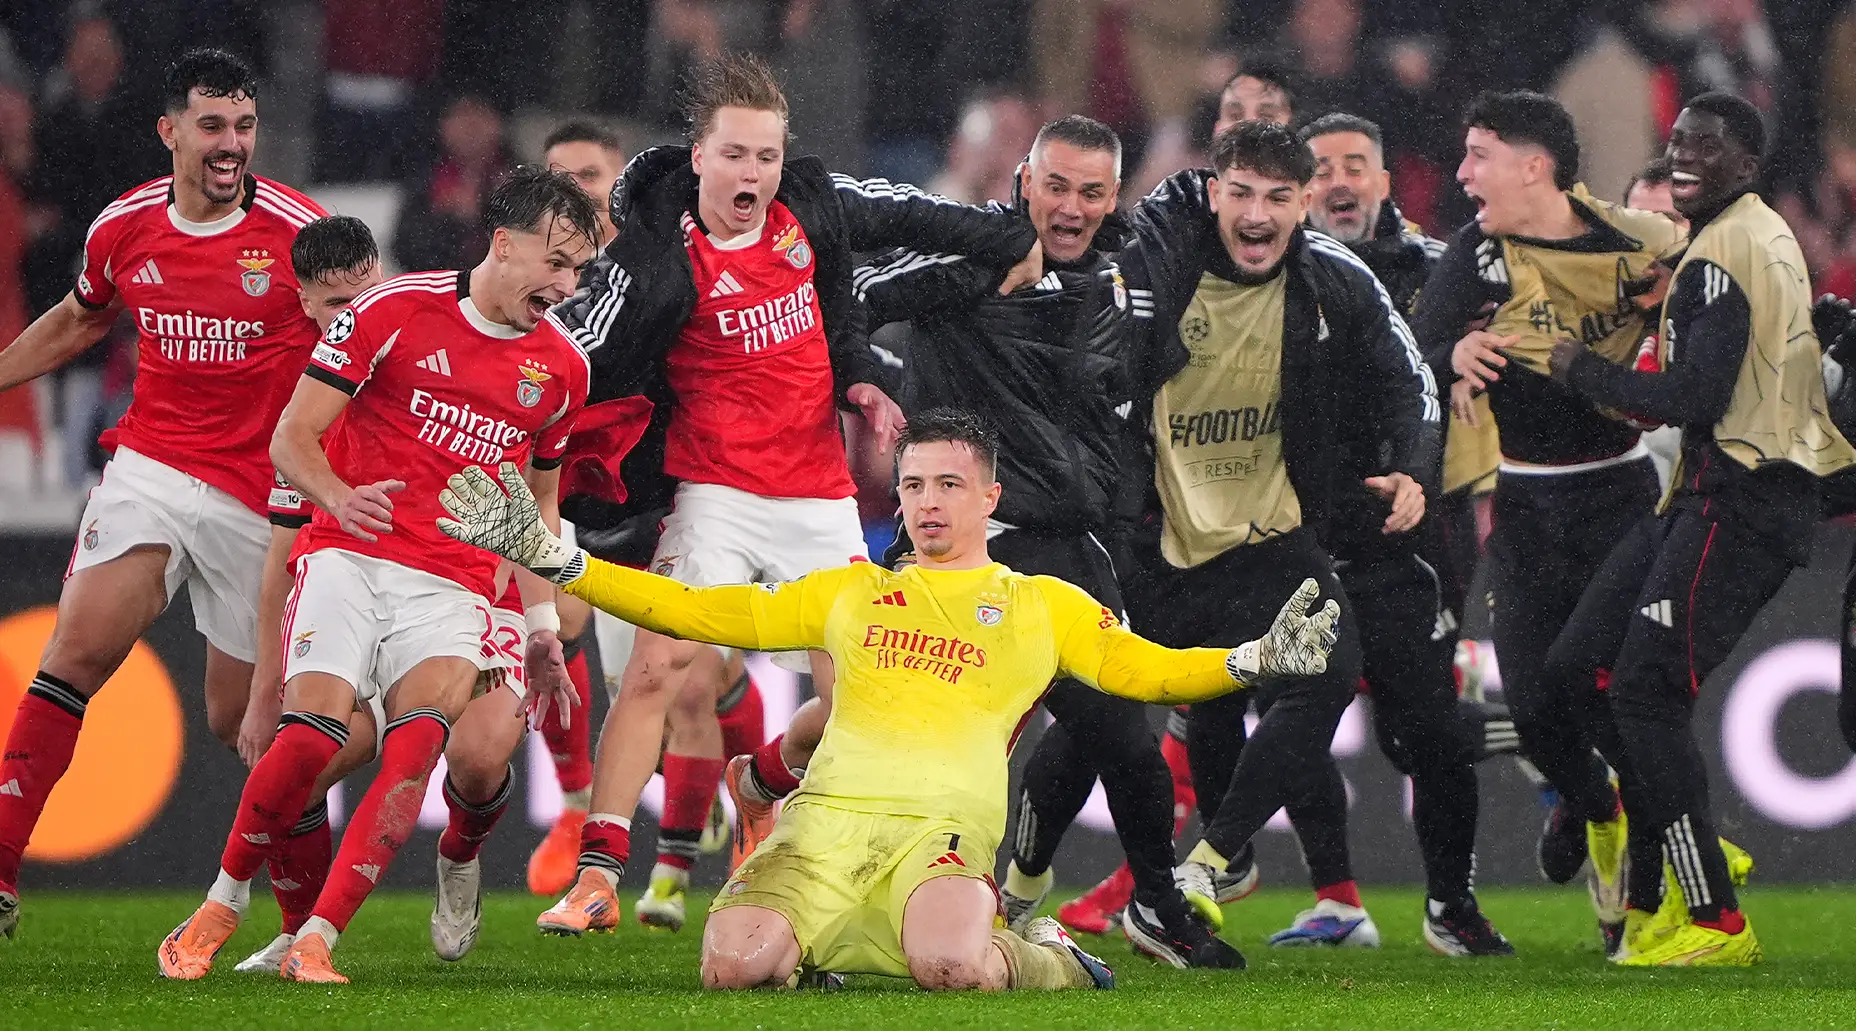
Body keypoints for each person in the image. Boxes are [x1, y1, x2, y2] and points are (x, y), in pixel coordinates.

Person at [431, 408, 1342, 990]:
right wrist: (566, 562)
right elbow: (701, 607)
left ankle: (1051, 955)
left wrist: (1253, 658)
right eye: (913, 485)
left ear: (992, 494)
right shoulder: (852, 590)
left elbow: (1151, 671)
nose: (930, 502)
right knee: (730, 967)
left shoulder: (1041, 604)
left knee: (952, 965)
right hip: (822, 829)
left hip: (937, 835)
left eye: (950, 484)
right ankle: (812, 944)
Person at [542, 52, 1040, 936]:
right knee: (658, 667)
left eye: (766, 157)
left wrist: (1013, 236)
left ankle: (764, 778)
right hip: (715, 493)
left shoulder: (810, 212)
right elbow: (575, 360)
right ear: (698, 156)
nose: (753, 175)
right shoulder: (657, 259)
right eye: (735, 155)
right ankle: (597, 873)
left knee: (867, 698)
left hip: (817, 493)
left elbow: (907, 215)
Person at [155, 165, 599, 983]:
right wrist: (338, 497)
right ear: (504, 243)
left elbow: (537, 512)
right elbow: (293, 437)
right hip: (349, 555)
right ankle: (222, 901)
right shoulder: (391, 311)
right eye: (557, 261)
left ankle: (321, 935)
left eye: (578, 269)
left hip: (457, 584)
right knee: (310, 737)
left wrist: (542, 630)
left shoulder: (563, 370)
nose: (567, 285)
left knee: (431, 749)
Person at [853, 115, 1238, 968]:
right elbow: (851, 292)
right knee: (910, 744)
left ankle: (1155, 901)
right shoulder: (973, 256)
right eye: (1055, 186)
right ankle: (848, 884)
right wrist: (863, 374)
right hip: (962, 545)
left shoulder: (1121, 276)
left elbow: (1126, 393)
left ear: (1113, 197)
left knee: (1122, 737)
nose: (1070, 207)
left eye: (1091, 191)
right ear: (1023, 181)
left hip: (1069, 547)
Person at [0, 49, 327, 941]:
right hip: (153, 463)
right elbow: (80, 315)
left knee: (249, 724)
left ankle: (305, 931)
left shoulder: (302, 233)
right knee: (79, 646)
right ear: (170, 131)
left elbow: (366, 340)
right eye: (213, 127)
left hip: (262, 497)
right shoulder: (126, 225)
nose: (232, 146)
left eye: (246, 127)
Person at [1544, 93, 1852, 967]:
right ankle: (1692, 856)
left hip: (1738, 495)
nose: (1683, 157)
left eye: (1705, 147)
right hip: (1722, 492)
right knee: (1586, 671)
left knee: (1639, 692)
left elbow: (1693, 402)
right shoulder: (1750, 236)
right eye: (1676, 142)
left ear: (1746, 165)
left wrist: (1580, 369)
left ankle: (1711, 913)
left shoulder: (1720, 260)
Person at [1117, 120, 1440, 941]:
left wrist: (1413, 465)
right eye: (1243, 194)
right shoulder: (1158, 262)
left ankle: (1215, 858)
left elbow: (1410, 375)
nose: (1258, 215)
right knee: (1107, 713)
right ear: (1215, 191)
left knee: (1330, 673)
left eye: (1278, 197)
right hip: (1161, 537)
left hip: (1276, 533)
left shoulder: (1333, 273)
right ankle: (1020, 888)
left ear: (1301, 205)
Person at [1411, 91, 1686, 948]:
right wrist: (1451, 350)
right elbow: (1413, 341)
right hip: (1525, 503)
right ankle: (1598, 809)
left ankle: (1650, 885)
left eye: (1479, 153)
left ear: (1535, 167)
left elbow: (1711, 296)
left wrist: (1675, 301)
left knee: (1591, 683)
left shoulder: (1637, 242)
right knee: (1532, 706)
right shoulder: (1479, 254)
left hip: (1621, 496)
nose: (1462, 174)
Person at [1282, 110, 1510, 954]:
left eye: (1356, 164)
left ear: (1386, 181)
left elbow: (1503, 341)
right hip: (1299, 531)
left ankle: (1452, 901)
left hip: (1422, 529)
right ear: (1302, 189)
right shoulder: (1269, 273)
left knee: (1421, 733)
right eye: (1323, 168)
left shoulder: (1440, 269)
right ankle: (1336, 896)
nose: (1340, 180)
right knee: (1293, 714)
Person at [524, 119, 626, 898]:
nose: (576, 192)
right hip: (558, 474)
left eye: (589, 176)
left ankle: (742, 807)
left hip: (648, 482)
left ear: (619, 180)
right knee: (559, 618)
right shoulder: (530, 271)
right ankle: (573, 804)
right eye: (560, 178)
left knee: (697, 676)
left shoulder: (653, 258)